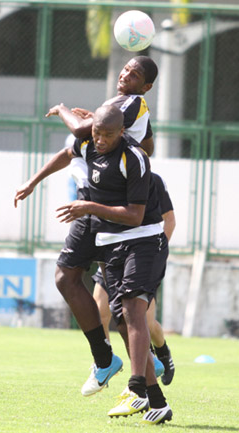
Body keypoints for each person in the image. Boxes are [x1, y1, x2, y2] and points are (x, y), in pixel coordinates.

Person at [42, 55, 159, 396]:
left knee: (125, 312)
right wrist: (106, 128)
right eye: (125, 68)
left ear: (146, 86)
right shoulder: (126, 107)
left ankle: (146, 379)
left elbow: (80, 133)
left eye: (134, 74)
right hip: (96, 204)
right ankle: (117, 365)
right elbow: (145, 143)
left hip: (109, 209)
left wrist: (63, 110)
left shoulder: (133, 103)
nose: (125, 74)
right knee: (77, 283)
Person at [91, 172, 176, 386]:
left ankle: (162, 351)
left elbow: (170, 221)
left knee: (144, 322)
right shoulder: (107, 178)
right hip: (113, 254)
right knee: (99, 311)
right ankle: (104, 364)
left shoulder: (153, 180)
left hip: (142, 258)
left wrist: (153, 257)